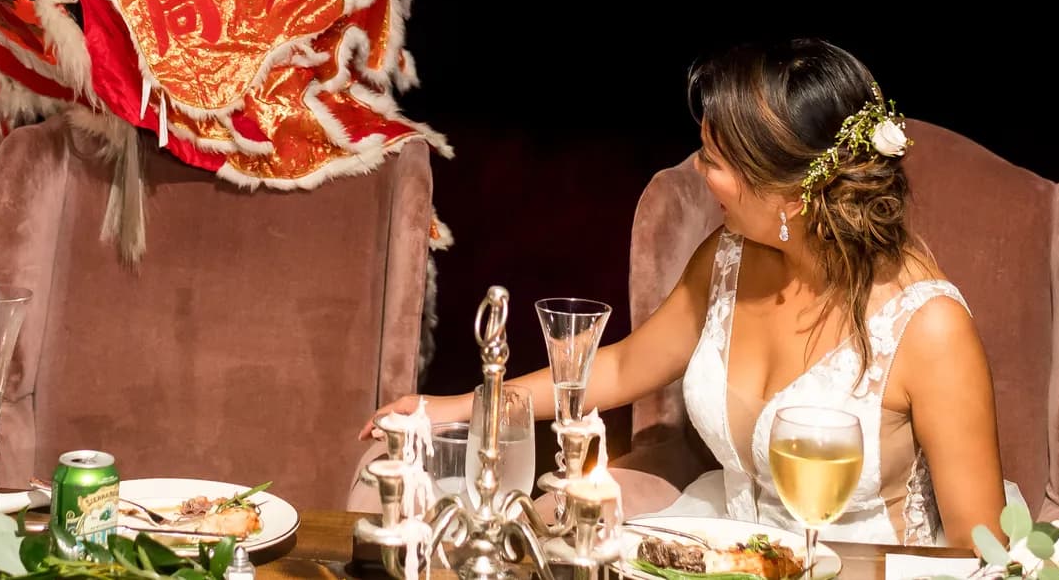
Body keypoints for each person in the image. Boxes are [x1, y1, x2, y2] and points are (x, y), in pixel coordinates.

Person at [369, 39, 1010, 545]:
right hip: (734, 556)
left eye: (715, 161)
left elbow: (978, 548)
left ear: (792, 194)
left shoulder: (928, 327)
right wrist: (457, 406)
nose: (698, 172)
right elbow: (623, 366)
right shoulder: (727, 259)